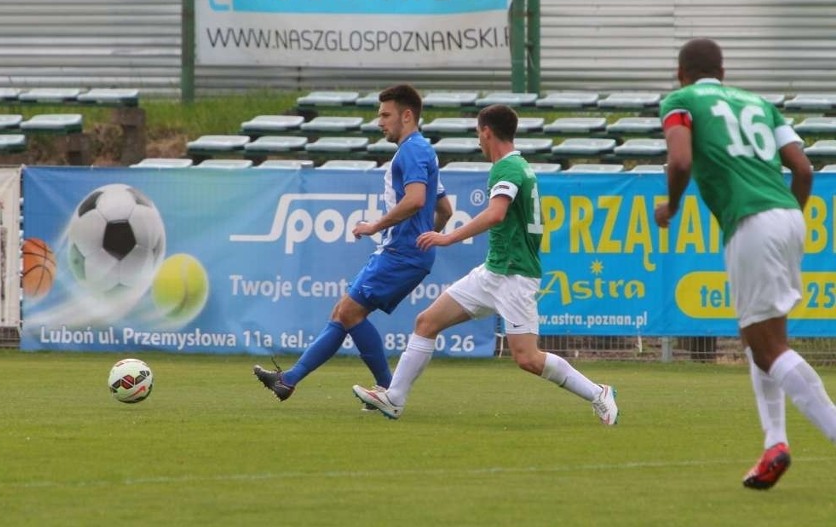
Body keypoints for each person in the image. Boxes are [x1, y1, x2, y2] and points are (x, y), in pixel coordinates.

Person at [352, 104, 619, 426]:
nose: (478, 140)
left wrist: (448, 238)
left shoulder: (507, 168)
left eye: (479, 133)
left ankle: (598, 392)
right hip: (493, 272)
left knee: (527, 358)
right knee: (427, 322)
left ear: (487, 132)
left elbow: (496, 214)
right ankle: (394, 399)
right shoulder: (518, 168)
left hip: (514, 277)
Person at [654, 37, 836, 490]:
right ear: (724, 71)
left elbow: (679, 160)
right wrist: (787, 216)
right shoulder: (759, 103)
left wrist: (672, 206)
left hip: (751, 221)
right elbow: (804, 170)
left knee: (767, 346)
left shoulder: (682, 100)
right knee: (763, 338)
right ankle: (775, 441)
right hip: (789, 214)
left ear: (681, 73)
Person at [253, 84, 453, 403]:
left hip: (400, 254)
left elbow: (416, 200)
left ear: (407, 115)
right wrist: (427, 238)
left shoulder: (413, 151)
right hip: (402, 252)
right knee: (342, 313)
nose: (380, 122)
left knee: (349, 313)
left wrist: (379, 226)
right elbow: (445, 209)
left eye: (386, 115)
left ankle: (389, 392)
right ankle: (288, 380)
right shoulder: (423, 150)